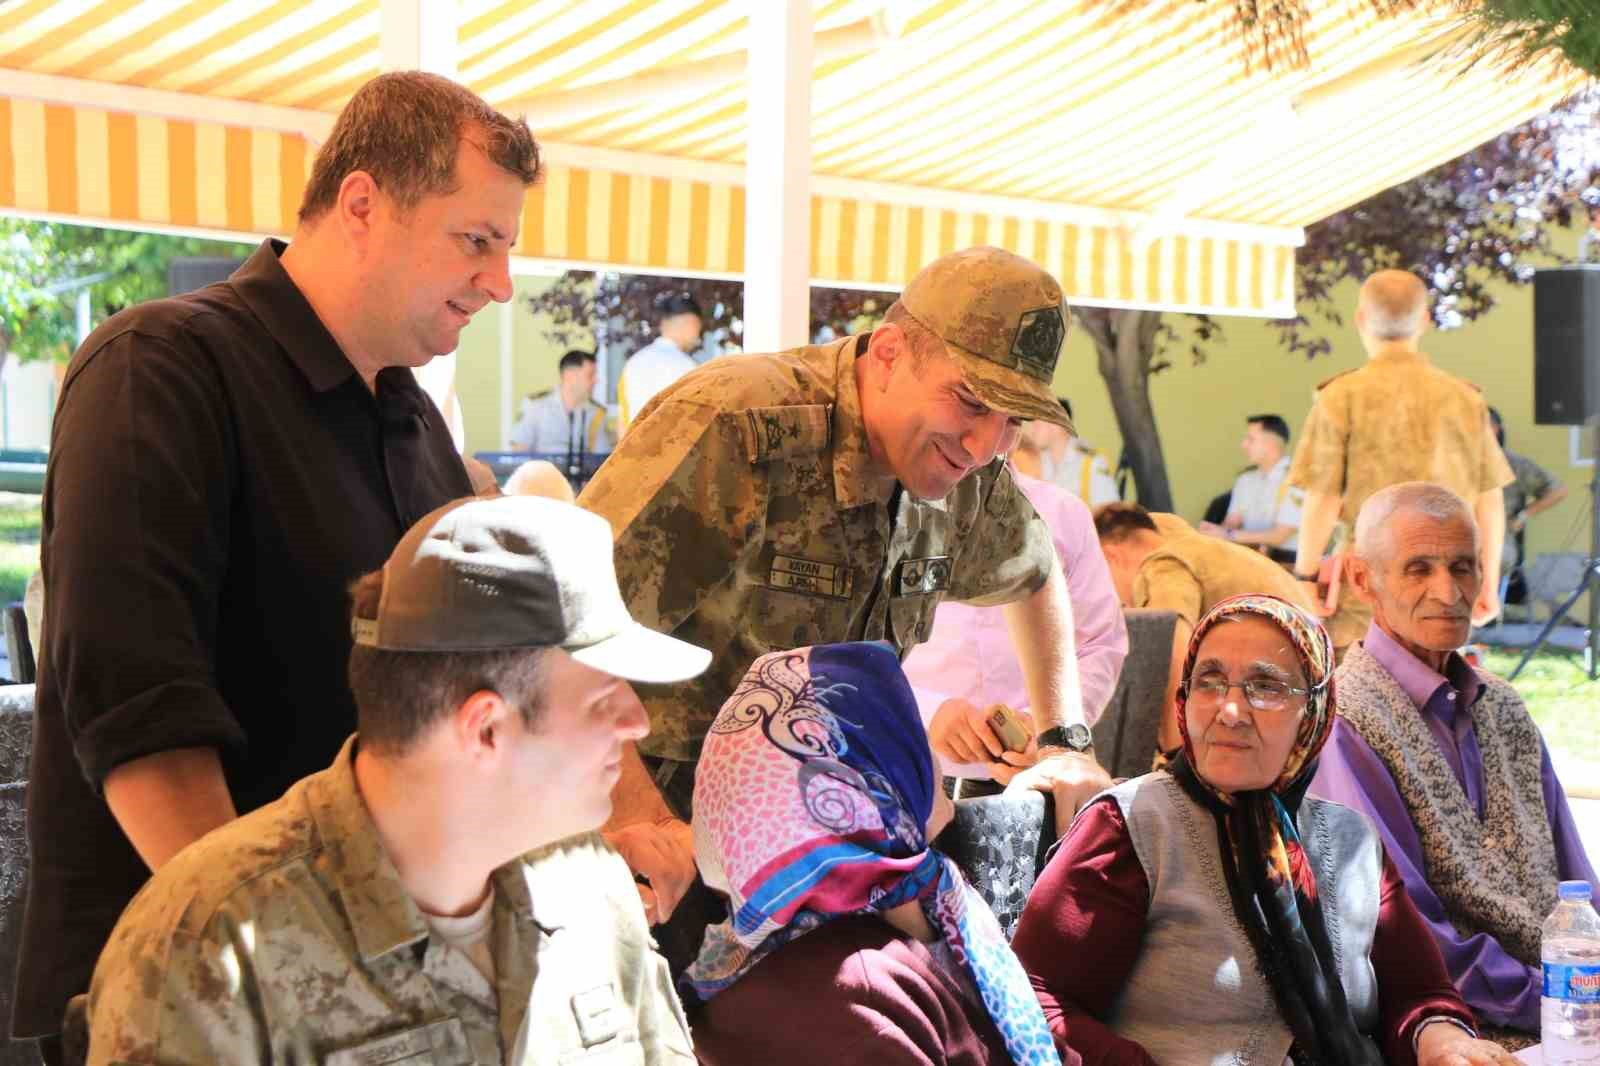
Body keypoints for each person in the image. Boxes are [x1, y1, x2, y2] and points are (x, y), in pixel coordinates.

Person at [13, 72, 540, 1060]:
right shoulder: (160, 366)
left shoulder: (415, 423)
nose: (501, 284)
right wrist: (290, 974)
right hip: (182, 1004)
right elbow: (139, 716)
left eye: (508, 248)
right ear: (362, 204)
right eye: (477, 239)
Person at [581, 246, 1112, 935]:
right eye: (971, 401)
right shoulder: (736, 427)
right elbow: (560, 624)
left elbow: (1037, 575)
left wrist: (1064, 739)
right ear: (889, 352)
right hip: (658, 853)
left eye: (1011, 420)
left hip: (823, 853)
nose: (984, 444)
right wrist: (640, 819)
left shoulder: (966, 477)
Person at [87, 495, 708, 1064]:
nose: (638, 722)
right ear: (486, 729)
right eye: (604, 699)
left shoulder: (592, 888)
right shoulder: (209, 948)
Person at [1012, 594, 1514, 1066]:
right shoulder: (1131, 827)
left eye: (1266, 686)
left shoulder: (1351, 840)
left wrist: (1442, 1040)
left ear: (1313, 713)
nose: (1230, 712)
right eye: (1208, 681)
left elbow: (1419, 993)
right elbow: (1033, 999)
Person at [1308, 482, 1597, 1042]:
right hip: (1465, 1025)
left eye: (1463, 567)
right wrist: (1556, 1002)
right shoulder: (1346, 722)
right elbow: (1403, 931)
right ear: (1364, 579)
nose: (1448, 591)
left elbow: (1577, 882)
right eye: (1419, 568)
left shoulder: (1504, 707)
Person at [686, 642, 1061, 1066]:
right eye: (904, 735)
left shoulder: (925, 899)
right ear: (859, 787)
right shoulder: (849, 1005)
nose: (926, 756)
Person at [1287, 269, 1513, 650]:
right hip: (1446, 586)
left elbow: (1323, 498)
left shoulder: (1340, 396)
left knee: (1360, 699)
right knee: (1434, 695)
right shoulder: (1465, 399)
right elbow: (1488, 500)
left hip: (1368, 583)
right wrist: (1486, 581)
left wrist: (1305, 578)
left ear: (1360, 319)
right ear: (1424, 320)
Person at [905, 467, 1128, 782]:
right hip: (910, 767)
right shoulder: (889, 507)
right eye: (977, 413)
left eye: (1012, 422)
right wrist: (925, 713)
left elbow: (1100, 642)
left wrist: (1053, 727)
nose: (989, 437)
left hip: (1042, 773)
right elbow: (842, 652)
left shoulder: (1062, 513)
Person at [1094, 502, 1312, 755]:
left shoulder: (1162, 565)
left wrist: (1176, 760)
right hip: (1298, 702)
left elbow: (1169, 656)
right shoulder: (1198, 548)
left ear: (1110, 555)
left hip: (1269, 708)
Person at [1487, 406, 1568, 599]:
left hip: (1497, 539)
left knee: (1482, 556)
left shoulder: (1512, 463)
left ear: (1495, 429)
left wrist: (1523, 516)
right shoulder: (1450, 462)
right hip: (1456, 535)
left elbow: (1557, 490)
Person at [1198, 413, 1302, 554]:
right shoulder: (1246, 480)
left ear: (1271, 444)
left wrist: (1228, 535)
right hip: (1252, 560)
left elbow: (1281, 536)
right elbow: (1232, 523)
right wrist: (1212, 532)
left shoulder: (1297, 478)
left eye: (1251, 439)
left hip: (1290, 564)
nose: (1244, 445)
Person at [618, 293, 704, 434]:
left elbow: (622, 421)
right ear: (691, 323)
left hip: (633, 451)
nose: (698, 335)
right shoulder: (688, 367)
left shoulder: (633, 363)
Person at [507, 348, 612, 458]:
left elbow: (602, 459)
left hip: (583, 474)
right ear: (569, 376)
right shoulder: (536, 405)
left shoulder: (597, 412)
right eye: (590, 375)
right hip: (541, 473)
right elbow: (519, 451)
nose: (596, 380)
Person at [1015, 398, 1119, 507]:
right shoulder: (1036, 462)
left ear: (1057, 425)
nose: (1032, 430)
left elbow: (1109, 511)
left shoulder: (1091, 463)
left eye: (1037, 425)